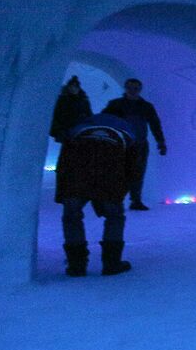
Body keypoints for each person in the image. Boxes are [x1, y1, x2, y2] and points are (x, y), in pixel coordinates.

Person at [54, 113, 136, 277]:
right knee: (114, 216)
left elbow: (63, 163)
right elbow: (133, 167)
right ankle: (111, 263)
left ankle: (76, 264)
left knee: (72, 217)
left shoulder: (77, 133)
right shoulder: (124, 135)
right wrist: (122, 191)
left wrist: (62, 192)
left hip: (75, 177)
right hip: (109, 177)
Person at [102, 78, 166, 210]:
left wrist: (161, 142)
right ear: (125, 88)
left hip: (139, 144)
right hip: (120, 144)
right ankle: (116, 199)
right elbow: (105, 121)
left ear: (140, 90)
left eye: (136, 88)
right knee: (120, 172)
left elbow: (155, 125)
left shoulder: (146, 107)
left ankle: (135, 200)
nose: (133, 91)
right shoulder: (115, 105)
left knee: (138, 172)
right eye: (130, 88)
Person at [48, 76, 92, 143]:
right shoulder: (61, 100)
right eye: (71, 86)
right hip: (65, 133)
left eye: (75, 86)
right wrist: (58, 131)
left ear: (79, 88)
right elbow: (55, 116)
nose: (73, 88)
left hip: (80, 133)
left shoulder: (84, 101)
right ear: (68, 87)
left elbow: (89, 115)